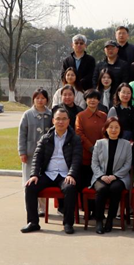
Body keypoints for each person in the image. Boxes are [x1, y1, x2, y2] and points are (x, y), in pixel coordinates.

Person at [21, 108, 82, 234]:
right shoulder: (46, 138)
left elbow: (77, 159)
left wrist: (71, 174)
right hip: (48, 174)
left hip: (65, 175)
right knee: (30, 186)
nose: (61, 122)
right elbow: (37, 157)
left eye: (64, 119)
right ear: (53, 120)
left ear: (68, 121)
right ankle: (33, 222)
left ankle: (68, 223)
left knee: (70, 188)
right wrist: (34, 175)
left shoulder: (75, 139)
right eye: (58, 119)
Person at [90, 117, 132, 234]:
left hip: (120, 177)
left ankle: (110, 219)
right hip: (101, 176)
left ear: (120, 129)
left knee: (115, 188)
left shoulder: (126, 144)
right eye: (111, 127)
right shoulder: (99, 143)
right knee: (102, 189)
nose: (113, 130)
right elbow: (94, 163)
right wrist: (102, 176)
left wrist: (115, 176)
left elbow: (127, 164)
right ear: (106, 129)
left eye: (116, 127)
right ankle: (99, 220)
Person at [18, 88, 52, 216]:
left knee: (41, 180)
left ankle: (42, 208)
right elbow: (22, 134)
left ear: (47, 100)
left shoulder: (50, 115)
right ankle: (31, 207)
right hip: (30, 153)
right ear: (33, 99)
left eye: (43, 98)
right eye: (37, 98)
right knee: (28, 181)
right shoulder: (27, 114)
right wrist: (22, 152)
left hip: (46, 155)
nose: (40, 100)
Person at [75, 89, 108, 202]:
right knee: (85, 183)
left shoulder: (104, 116)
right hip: (86, 155)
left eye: (95, 98)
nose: (92, 100)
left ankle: (97, 208)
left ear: (99, 100)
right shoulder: (80, 116)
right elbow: (79, 134)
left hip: (101, 156)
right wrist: (91, 148)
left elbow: (106, 133)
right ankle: (86, 208)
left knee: (99, 184)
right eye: (90, 98)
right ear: (86, 100)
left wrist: (100, 149)